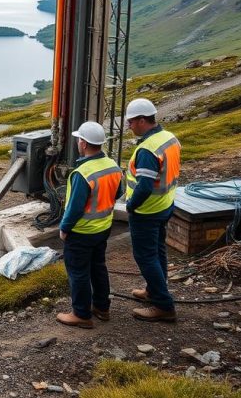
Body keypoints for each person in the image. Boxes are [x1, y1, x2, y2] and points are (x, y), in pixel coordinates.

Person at [56, 121, 123, 329]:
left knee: (78, 272)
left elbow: (74, 208)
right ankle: (102, 307)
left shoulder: (82, 173)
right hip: (103, 228)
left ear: (83, 144)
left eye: (79, 139)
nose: (78, 142)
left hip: (81, 232)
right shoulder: (113, 166)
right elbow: (119, 193)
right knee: (98, 267)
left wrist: (64, 228)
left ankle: (81, 314)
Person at [124, 98, 182, 322]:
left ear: (141, 120)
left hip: (146, 212)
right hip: (165, 205)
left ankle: (163, 306)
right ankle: (153, 290)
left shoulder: (147, 149)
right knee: (158, 251)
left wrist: (131, 206)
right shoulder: (168, 138)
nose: (129, 126)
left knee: (146, 257)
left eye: (130, 122)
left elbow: (145, 186)